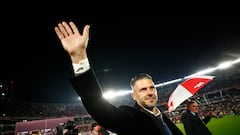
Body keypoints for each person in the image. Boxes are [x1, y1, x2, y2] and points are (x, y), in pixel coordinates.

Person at [54, 21, 183, 135]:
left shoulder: (161, 116)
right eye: (143, 89)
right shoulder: (130, 118)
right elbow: (97, 105)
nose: (149, 92)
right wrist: (79, 57)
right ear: (134, 95)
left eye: (151, 88)